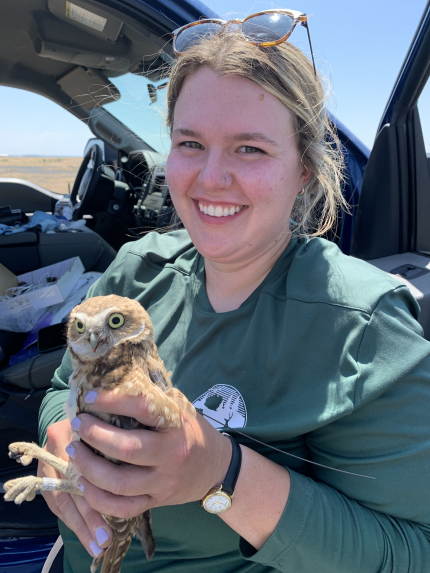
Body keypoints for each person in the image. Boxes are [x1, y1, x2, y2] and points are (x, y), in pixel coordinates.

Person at [38, 11, 430, 573]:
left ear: (303, 169)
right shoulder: (136, 271)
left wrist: (219, 474)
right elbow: (61, 384)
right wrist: (60, 435)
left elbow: (414, 553)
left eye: (250, 149)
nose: (211, 177)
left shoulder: (358, 325)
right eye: (190, 142)